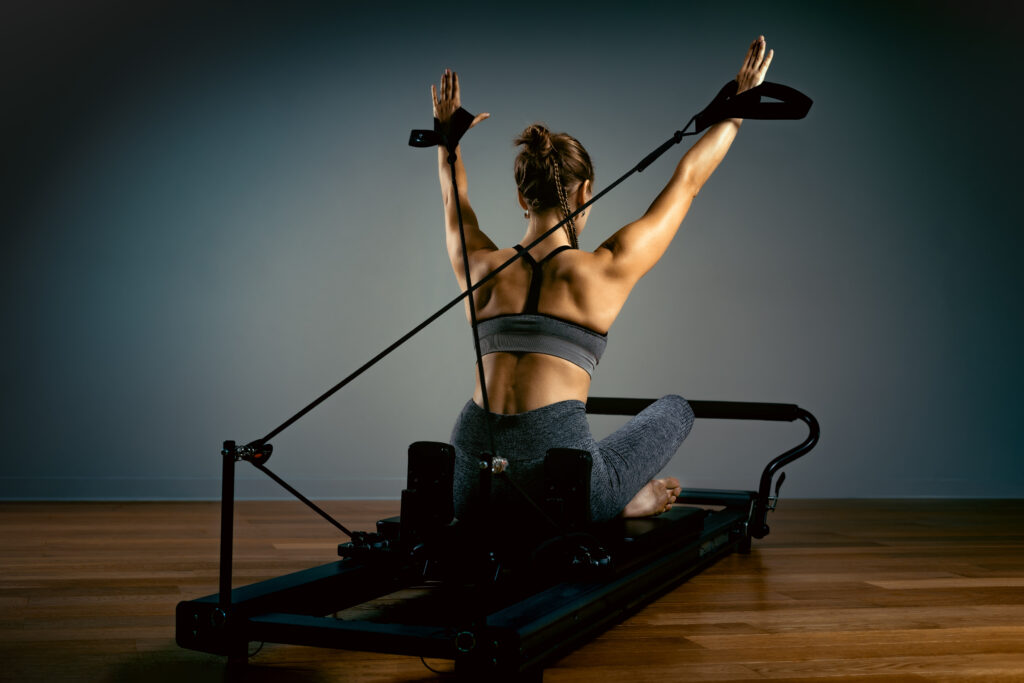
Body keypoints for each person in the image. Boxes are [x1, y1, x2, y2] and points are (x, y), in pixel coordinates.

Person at [433, 37, 775, 523]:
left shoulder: (480, 267)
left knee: (575, 453)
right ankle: (620, 498)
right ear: (587, 192)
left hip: (469, 486)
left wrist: (449, 138)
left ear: (521, 198)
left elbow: (453, 198)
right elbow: (688, 182)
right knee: (675, 410)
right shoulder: (604, 270)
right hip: (562, 490)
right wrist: (737, 109)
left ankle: (615, 493)